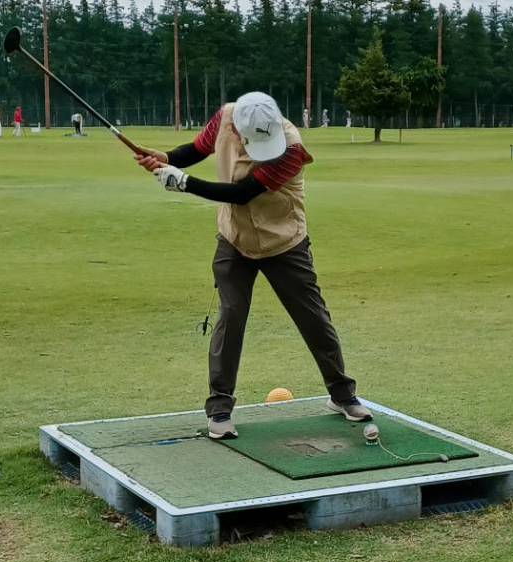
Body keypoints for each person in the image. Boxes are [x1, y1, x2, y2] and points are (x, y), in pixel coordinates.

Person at [134, 91, 372, 439]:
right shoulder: (225, 117)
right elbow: (198, 149)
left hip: (284, 241)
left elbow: (242, 193)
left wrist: (183, 183)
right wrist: (167, 158)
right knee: (231, 317)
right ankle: (219, 410)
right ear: (238, 130)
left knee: (313, 318)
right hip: (235, 239)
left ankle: (342, 395)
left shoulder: (291, 148)